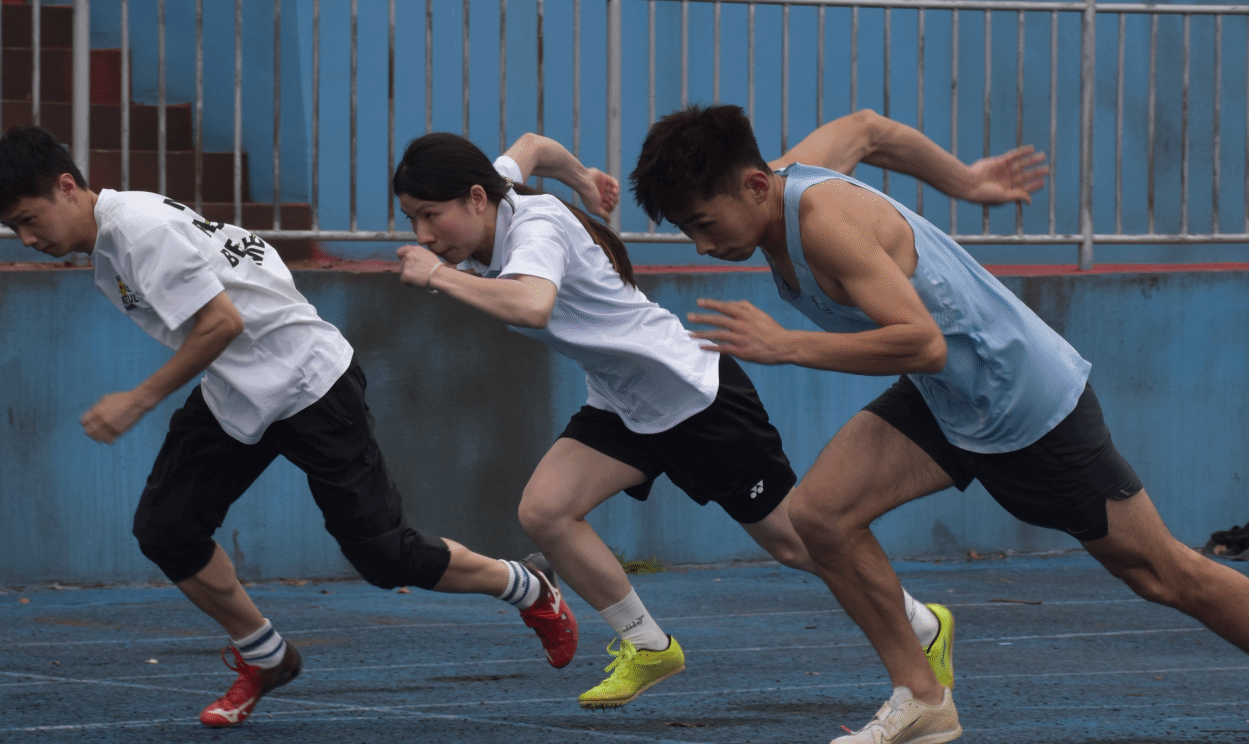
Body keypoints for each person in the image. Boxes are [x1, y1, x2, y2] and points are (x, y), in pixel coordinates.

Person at [628, 105, 1249, 744]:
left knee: (1161, 574)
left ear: (755, 186)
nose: (703, 246)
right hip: (946, 396)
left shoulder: (824, 224)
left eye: (703, 224)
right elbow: (866, 129)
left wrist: (790, 345)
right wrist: (968, 183)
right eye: (687, 230)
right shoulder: (780, 178)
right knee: (820, 515)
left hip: (1022, 400)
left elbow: (920, 340)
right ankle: (922, 696)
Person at [0, 126, 577, 728]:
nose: (28, 239)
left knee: (384, 556)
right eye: (13, 229)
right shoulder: (115, 234)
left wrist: (139, 398)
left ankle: (527, 585)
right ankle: (265, 656)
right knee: (167, 529)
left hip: (309, 383)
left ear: (67, 187)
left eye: (29, 220)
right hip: (237, 390)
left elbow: (221, 323)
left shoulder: (140, 231)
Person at [390, 128, 1010, 710]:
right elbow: (532, 146)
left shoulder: (535, 231)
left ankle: (923, 625)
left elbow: (531, 304)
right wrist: (584, 179)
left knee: (797, 544)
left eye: (430, 215)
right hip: (624, 402)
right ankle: (648, 646)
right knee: (545, 511)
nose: (423, 234)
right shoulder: (494, 190)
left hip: (695, 396)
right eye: (412, 218)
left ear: (476, 199)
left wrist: (439, 275)